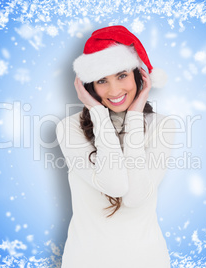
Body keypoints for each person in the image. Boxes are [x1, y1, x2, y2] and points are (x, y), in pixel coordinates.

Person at [56, 25, 176, 268]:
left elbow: (134, 198)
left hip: (148, 260)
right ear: (89, 86)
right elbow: (115, 184)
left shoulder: (162, 126)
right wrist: (99, 115)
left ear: (138, 76)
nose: (114, 90)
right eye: (102, 80)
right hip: (85, 261)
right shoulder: (69, 128)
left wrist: (135, 115)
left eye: (122, 75)